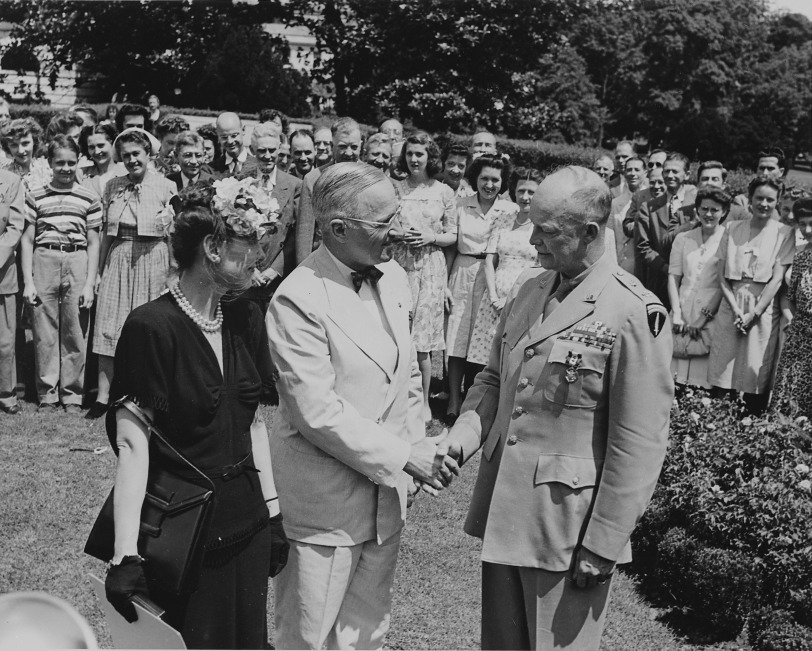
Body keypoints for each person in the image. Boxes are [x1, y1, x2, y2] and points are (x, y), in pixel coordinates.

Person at [444, 165, 673, 651]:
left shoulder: (634, 311)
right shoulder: (530, 288)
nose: (530, 241)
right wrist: (461, 437)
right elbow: (492, 379)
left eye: (546, 232)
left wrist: (604, 542)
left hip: (568, 531)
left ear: (590, 233)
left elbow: (640, 440)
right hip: (506, 510)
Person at [266, 162, 451, 649]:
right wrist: (403, 457)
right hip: (324, 506)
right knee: (308, 638)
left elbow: (409, 375)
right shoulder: (297, 298)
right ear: (338, 228)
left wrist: (412, 454)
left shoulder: (392, 278)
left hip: (385, 498)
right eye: (384, 222)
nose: (399, 231)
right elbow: (317, 412)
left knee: (365, 636)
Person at [102, 184, 289, 649]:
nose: (258, 258)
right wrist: (125, 554)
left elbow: (253, 424)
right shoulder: (151, 326)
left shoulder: (246, 315)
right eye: (248, 247)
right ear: (211, 248)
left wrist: (273, 514)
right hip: (186, 538)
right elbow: (132, 444)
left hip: (247, 526)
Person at [89, 128, 178, 419]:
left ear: (148, 154)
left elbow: (173, 236)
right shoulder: (112, 185)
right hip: (119, 256)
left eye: (136, 154)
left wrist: (173, 272)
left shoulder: (166, 186)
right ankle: (104, 396)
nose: (131, 160)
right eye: (125, 156)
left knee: (148, 326)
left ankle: (145, 392)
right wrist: (99, 272)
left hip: (154, 258)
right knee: (109, 322)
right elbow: (104, 235)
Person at [20, 135, 101, 412]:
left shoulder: (89, 197)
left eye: (71, 162)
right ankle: (47, 393)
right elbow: (28, 240)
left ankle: (73, 395)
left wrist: (90, 283)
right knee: (44, 330)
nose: (65, 168)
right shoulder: (36, 195)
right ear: (50, 163)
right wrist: (29, 282)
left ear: (78, 162)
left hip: (77, 259)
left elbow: (93, 242)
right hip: (45, 257)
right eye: (60, 163)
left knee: (75, 330)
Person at [708, 175, 794, 414]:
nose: (764, 204)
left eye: (770, 199)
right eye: (759, 198)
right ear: (750, 199)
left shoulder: (783, 233)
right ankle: (715, 426)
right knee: (724, 370)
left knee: (755, 370)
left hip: (763, 310)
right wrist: (736, 310)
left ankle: (750, 424)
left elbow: (777, 278)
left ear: (776, 202)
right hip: (732, 305)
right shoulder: (732, 228)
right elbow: (722, 274)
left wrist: (754, 313)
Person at [445, 153, 517, 422]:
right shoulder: (461, 204)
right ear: (475, 178)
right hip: (463, 272)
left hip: (493, 277)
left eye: (495, 180)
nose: (489, 185)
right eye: (484, 178)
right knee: (457, 338)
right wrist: (445, 282)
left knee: (485, 341)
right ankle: (453, 399)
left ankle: (476, 399)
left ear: (503, 182)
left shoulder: (509, 210)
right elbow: (452, 245)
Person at [391, 131, 457, 421]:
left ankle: (424, 404)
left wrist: (431, 237)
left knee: (423, 342)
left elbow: (453, 234)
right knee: (397, 333)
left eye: (420, 154)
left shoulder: (443, 192)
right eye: (409, 154)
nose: (414, 159)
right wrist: (399, 234)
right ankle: (394, 400)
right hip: (400, 265)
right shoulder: (395, 189)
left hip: (430, 268)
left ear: (430, 157)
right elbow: (384, 226)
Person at [467, 167, 541, 367]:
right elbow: (490, 261)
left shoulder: (541, 225)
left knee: (512, 358)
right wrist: (493, 296)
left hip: (523, 298)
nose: (525, 197)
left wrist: (512, 299)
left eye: (531, 192)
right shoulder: (503, 220)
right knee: (486, 359)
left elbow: (542, 268)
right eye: (521, 191)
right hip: (494, 299)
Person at [236, 123, 302, 314]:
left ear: (280, 150)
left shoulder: (294, 185)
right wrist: (249, 267)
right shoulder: (240, 182)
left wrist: (275, 269)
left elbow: (296, 235)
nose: (267, 156)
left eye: (272, 150)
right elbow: (234, 231)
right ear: (253, 150)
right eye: (261, 150)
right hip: (246, 280)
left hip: (277, 280)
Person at [667, 185, 728, 389]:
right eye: (704, 209)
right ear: (697, 210)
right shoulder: (683, 239)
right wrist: (676, 313)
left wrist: (703, 319)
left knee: (700, 385)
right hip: (681, 315)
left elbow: (723, 285)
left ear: (724, 212)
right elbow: (673, 277)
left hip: (711, 317)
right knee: (672, 379)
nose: (708, 214)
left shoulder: (728, 241)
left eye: (714, 210)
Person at [294, 117, 363, 264]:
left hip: (360, 260)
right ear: (332, 145)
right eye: (343, 147)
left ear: (361, 145)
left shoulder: (371, 177)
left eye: (354, 147)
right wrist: (303, 270)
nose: (349, 153)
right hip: (323, 262)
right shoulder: (313, 179)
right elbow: (304, 234)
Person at [635, 152, 696, 307]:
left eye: (675, 171)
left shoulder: (697, 206)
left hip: (692, 280)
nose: (670, 175)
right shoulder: (648, 208)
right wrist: (665, 268)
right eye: (666, 171)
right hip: (659, 281)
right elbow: (643, 247)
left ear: (687, 174)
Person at [772, 198, 812, 417]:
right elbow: (790, 297)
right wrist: (794, 321)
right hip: (800, 335)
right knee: (791, 392)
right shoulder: (801, 256)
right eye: (802, 224)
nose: (807, 230)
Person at [0, 168, 25, 414]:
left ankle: (6, 395)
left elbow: (15, 227)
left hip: (1, 269)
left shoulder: (11, 181)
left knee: (4, 340)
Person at [609, 156, 647, 273]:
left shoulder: (651, 200)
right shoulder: (616, 203)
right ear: (624, 173)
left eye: (637, 170)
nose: (632, 173)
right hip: (619, 264)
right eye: (629, 170)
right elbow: (610, 235)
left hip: (643, 265)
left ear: (645, 173)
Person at [0, 118, 51, 191]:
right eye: (14, 145)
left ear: (34, 141)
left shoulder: (47, 170)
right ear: (7, 147)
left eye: (25, 143)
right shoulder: (4, 175)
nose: (21, 151)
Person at [81, 123, 127, 199]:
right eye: (91, 147)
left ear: (112, 144)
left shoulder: (126, 173)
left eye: (101, 145)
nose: (97, 151)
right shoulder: (82, 174)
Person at [211, 112, 256, 176]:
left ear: (243, 130)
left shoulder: (258, 165)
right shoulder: (211, 169)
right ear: (217, 135)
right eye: (224, 137)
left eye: (234, 135)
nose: (229, 141)